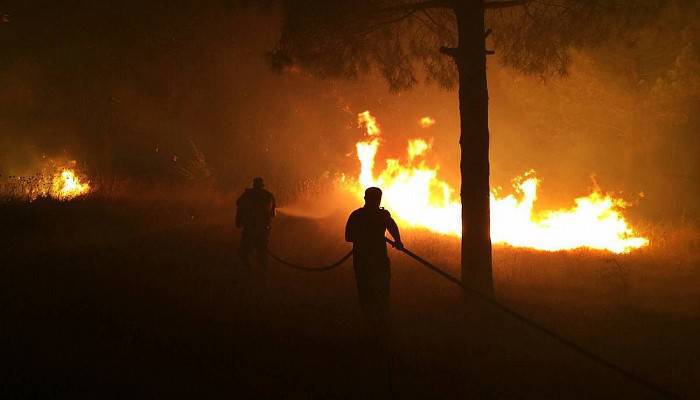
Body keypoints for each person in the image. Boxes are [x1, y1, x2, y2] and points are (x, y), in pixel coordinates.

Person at [345, 187, 403, 327]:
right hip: (371, 260)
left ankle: (375, 320)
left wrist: (398, 241)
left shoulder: (357, 215)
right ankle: (375, 321)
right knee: (375, 289)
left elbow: (349, 237)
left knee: (371, 289)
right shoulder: (378, 215)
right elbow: (349, 236)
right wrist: (397, 241)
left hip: (367, 260)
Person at [236, 177, 276, 267]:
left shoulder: (247, 195)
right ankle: (262, 273)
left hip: (249, 229)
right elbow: (273, 214)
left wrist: (239, 221)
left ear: (253, 185)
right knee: (262, 253)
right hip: (263, 230)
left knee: (244, 253)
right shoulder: (268, 196)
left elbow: (238, 205)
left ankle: (248, 272)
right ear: (262, 186)